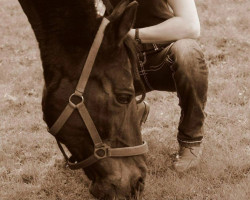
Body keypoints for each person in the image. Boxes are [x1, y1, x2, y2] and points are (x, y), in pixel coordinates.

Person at [127, 0, 209, 173]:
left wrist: (132, 34)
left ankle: (190, 141)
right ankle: (131, 110)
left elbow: (190, 26)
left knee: (188, 51)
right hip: (121, 64)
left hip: (163, 57)